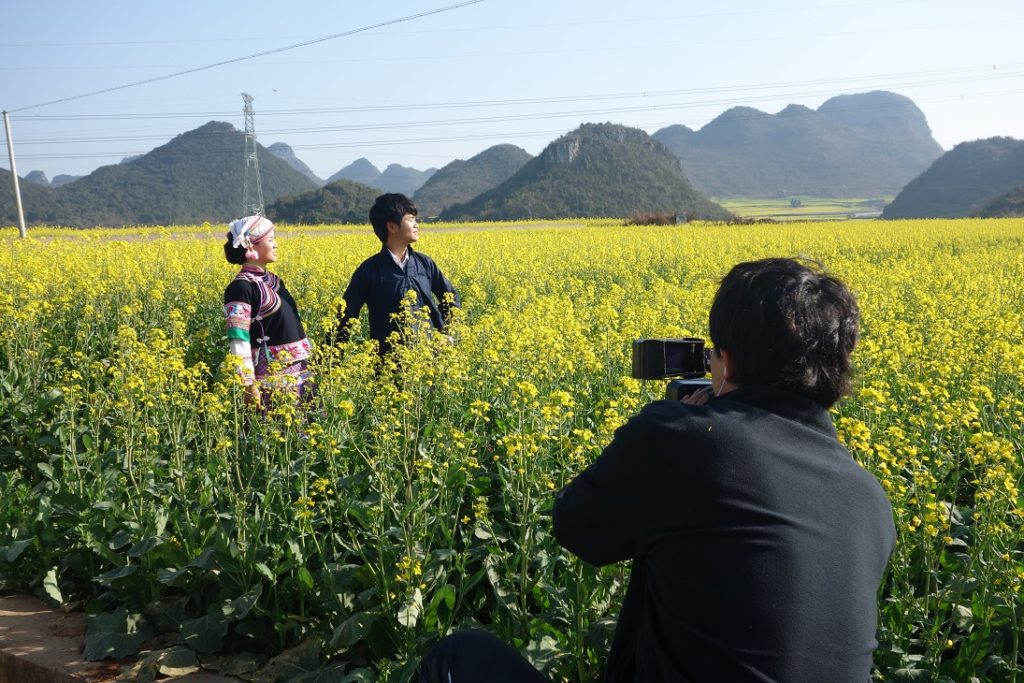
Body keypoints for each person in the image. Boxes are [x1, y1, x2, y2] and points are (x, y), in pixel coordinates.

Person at [417, 257, 895, 683]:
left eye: (712, 354)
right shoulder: (869, 497)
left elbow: (574, 526)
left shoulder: (687, 440)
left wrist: (678, 422)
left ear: (727, 362)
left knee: (459, 655)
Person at [333, 193, 459, 354]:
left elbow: (450, 298)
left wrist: (449, 336)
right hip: (389, 360)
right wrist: (330, 360)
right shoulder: (369, 271)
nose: (417, 225)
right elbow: (345, 316)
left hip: (430, 358)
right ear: (392, 227)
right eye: (411, 219)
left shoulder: (425, 264)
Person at [223, 215, 313, 407]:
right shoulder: (241, 288)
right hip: (272, 379)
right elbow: (238, 339)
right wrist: (248, 384)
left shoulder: (274, 281)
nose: (276, 244)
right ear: (251, 246)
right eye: (271, 240)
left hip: (300, 372)